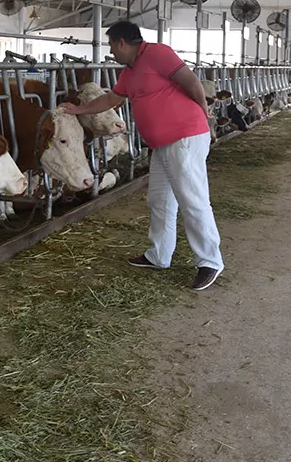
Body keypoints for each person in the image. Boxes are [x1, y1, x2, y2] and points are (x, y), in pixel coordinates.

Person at [61, 21, 224, 290]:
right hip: (161, 144)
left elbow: (191, 81)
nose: (111, 51)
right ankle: (159, 255)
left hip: (184, 137)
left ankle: (210, 261)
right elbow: (112, 99)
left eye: (112, 45)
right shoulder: (130, 71)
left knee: (192, 199)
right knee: (159, 199)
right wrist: (78, 110)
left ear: (122, 42)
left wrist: (203, 111)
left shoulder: (158, 53)